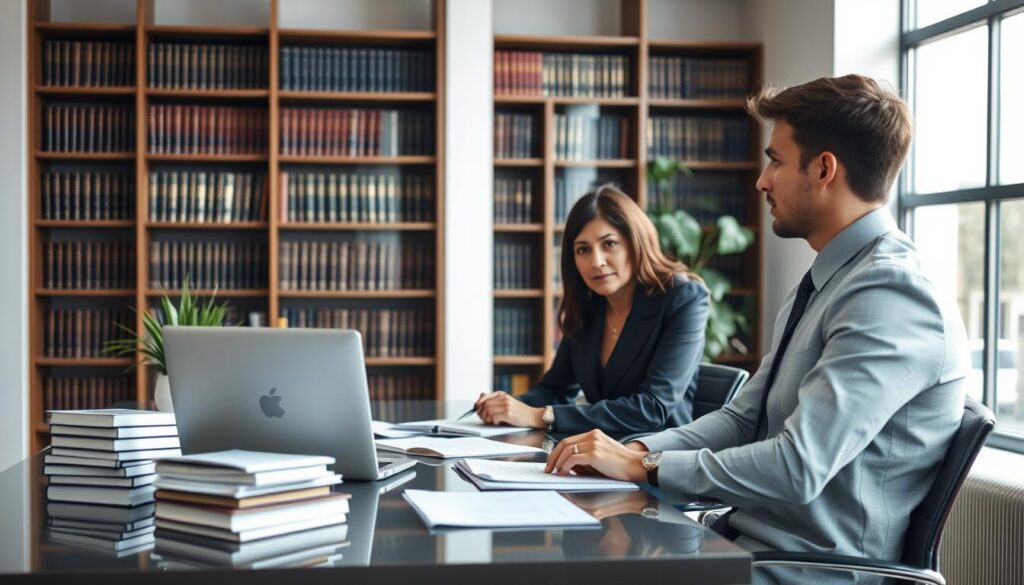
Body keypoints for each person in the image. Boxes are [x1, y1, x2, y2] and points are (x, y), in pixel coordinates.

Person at [542, 74, 970, 564]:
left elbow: (797, 465)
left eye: (776, 160)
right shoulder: (825, 283)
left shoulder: (891, 293)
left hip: (807, 569)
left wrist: (646, 465)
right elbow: (742, 420)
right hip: (742, 542)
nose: (762, 180)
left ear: (824, 169)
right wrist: (628, 452)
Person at [475, 184, 709, 435]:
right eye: (583, 249)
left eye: (609, 244)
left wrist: (540, 415)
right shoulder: (591, 303)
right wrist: (508, 406)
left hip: (654, 457)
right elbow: (556, 388)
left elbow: (652, 408)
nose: (596, 261)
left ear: (635, 242)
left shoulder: (684, 298)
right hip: (598, 450)